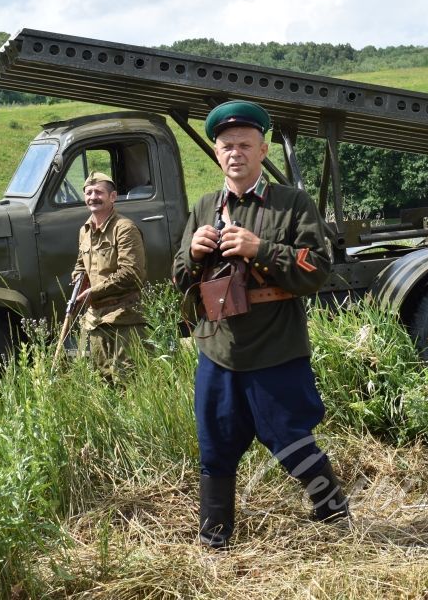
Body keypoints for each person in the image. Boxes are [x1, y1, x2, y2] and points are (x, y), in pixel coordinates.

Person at [172, 100, 349, 549]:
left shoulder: (292, 204)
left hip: (276, 349)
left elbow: (318, 270)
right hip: (217, 350)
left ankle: (336, 517)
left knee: (290, 439)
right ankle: (215, 540)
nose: (236, 153)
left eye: (245, 145)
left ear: (263, 149)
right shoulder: (205, 207)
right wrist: (192, 255)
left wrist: (261, 249)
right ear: (216, 154)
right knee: (215, 447)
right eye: (227, 145)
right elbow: (177, 277)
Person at [71, 172, 147, 382]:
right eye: (88, 192)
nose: (93, 197)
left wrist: (92, 292)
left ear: (112, 197)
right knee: (103, 383)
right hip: (96, 321)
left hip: (124, 319)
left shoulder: (124, 228)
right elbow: (81, 264)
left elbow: (131, 273)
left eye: (99, 192)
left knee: (129, 383)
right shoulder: (84, 231)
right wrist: (77, 277)